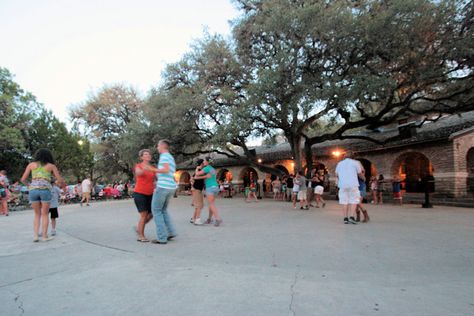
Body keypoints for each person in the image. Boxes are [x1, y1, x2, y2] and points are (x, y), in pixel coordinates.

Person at [20, 148, 65, 242]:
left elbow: (23, 179)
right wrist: (57, 182)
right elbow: (60, 180)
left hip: (33, 191)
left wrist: (29, 185)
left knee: (37, 214)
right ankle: (44, 236)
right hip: (45, 190)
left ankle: (36, 236)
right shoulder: (51, 166)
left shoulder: (31, 165)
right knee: (45, 214)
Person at [151, 140, 178, 244]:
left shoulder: (164, 156)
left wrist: (153, 169)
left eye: (158, 145)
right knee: (163, 210)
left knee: (156, 211)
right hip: (170, 187)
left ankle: (162, 237)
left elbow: (165, 169)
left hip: (163, 187)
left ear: (162, 146)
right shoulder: (170, 157)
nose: (157, 147)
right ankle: (171, 232)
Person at [133, 149, 157, 242]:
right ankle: (141, 236)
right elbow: (138, 173)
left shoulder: (152, 167)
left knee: (151, 214)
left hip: (150, 193)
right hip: (139, 193)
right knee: (144, 215)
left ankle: (138, 228)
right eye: (145, 154)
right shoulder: (138, 166)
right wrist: (144, 169)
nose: (148, 155)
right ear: (142, 157)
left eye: (149, 154)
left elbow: (155, 179)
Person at [335, 151, 365, 224]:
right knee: (354, 200)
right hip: (353, 184)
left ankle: (345, 218)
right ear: (353, 157)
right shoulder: (355, 163)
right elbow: (360, 173)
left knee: (344, 201)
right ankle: (351, 217)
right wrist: (364, 178)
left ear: (344, 156)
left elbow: (336, 174)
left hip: (342, 185)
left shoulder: (339, 163)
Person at [196, 157, 223, 226]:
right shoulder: (212, 169)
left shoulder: (206, 168)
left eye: (204, 160)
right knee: (211, 203)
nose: (203, 162)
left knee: (211, 204)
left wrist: (197, 168)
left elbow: (197, 174)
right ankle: (209, 219)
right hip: (216, 187)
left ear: (207, 162)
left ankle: (218, 219)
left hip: (210, 187)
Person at [190, 159, 205, 226]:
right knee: (199, 205)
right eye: (203, 163)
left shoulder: (199, 170)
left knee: (197, 205)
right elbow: (193, 178)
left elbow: (192, 178)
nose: (204, 164)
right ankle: (197, 220)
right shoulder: (199, 170)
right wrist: (193, 185)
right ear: (201, 164)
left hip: (197, 189)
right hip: (197, 189)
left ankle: (193, 218)